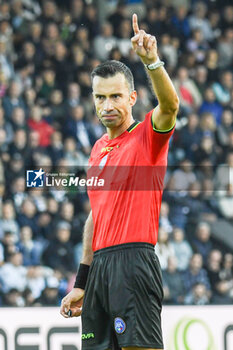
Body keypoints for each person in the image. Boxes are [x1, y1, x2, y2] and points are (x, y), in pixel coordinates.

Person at [60, 14, 179, 350]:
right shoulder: (97, 150)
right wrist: (82, 281)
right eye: (100, 97)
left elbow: (170, 106)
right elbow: (95, 216)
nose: (107, 105)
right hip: (100, 270)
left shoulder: (146, 137)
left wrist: (151, 61)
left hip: (134, 263)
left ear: (131, 97)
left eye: (115, 96)